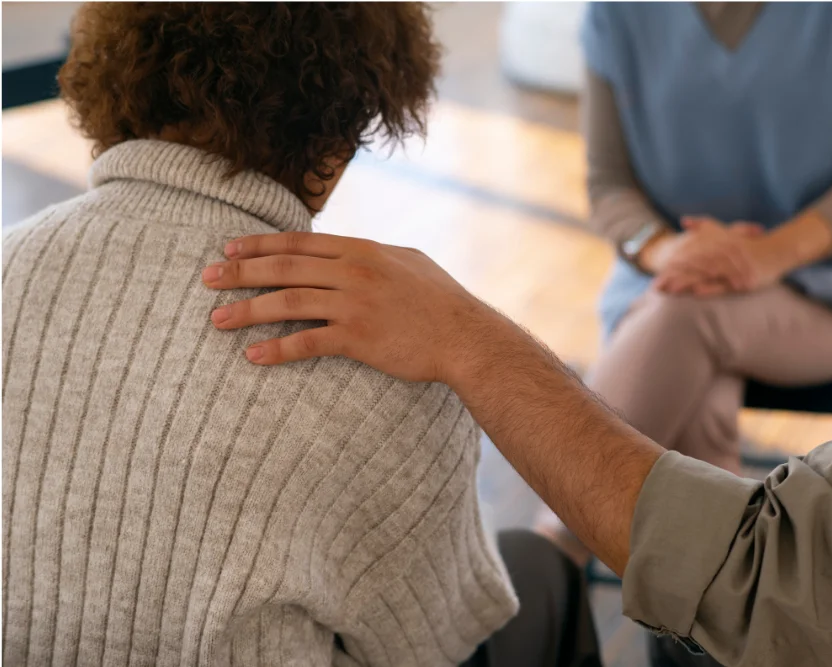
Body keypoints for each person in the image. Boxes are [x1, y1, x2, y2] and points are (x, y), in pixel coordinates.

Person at [0, 4, 562, 666]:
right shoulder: (392, 370)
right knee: (544, 575)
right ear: (333, 150)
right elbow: (440, 636)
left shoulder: (9, 261)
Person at [200, 229, 832, 667]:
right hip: (672, 272)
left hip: (812, 282)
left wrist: (465, 337)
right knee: (692, 371)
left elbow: (784, 591)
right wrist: (667, 250)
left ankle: (569, 542)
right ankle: (588, 554)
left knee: (684, 339)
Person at [582, 1, 832, 478]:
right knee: (696, 395)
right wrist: (665, 250)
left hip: (828, 287)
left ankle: (560, 537)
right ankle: (721, 552)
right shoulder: (614, 10)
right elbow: (609, 184)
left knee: (687, 314)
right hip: (665, 276)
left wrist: (764, 257)